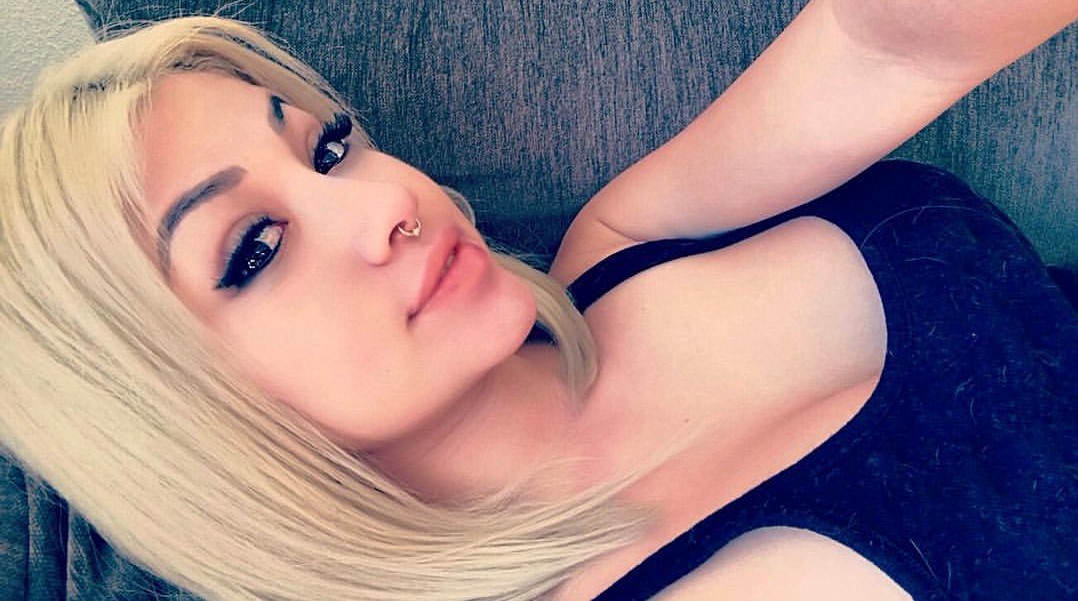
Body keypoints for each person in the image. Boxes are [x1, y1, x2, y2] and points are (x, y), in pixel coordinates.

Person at [0, 1, 1075, 600]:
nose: (385, 204)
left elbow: (883, 42)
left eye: (327, 147)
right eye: (256, 249)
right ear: (170, 423)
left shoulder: (623, 241)